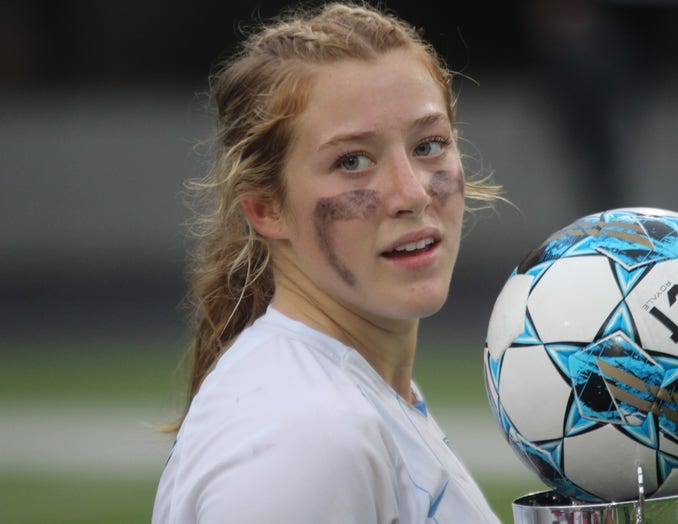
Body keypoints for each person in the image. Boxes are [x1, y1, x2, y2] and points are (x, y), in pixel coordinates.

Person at [152, 3, 503, 522]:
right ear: (266, 208)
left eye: (428, 144)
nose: (412, 193)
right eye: (353, 161)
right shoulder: (306, 436)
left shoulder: (354, 394)